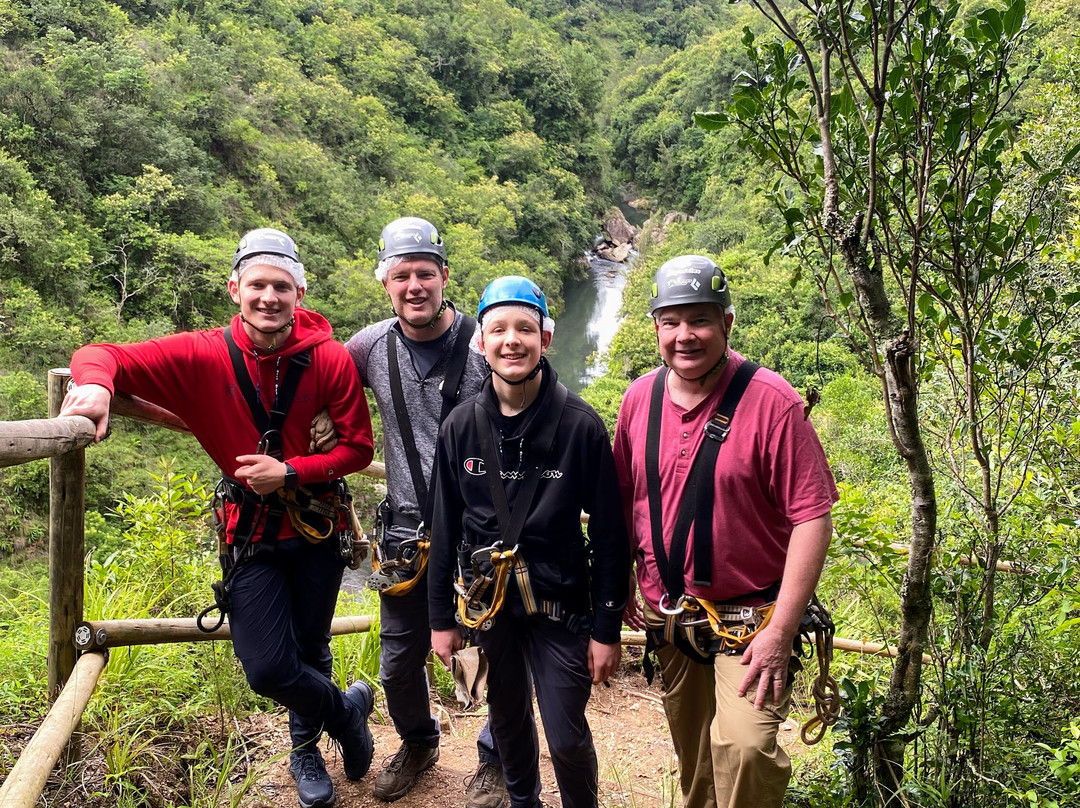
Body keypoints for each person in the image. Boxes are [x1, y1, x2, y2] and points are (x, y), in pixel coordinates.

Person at [60, 228, 378, 808]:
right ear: (235, 288)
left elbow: (357, 448)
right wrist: (97, 388)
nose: (269, 298)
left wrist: (291, 471)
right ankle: (347, 712)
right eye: (257, 285)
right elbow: (99, 354)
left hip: (315, 525)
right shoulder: (202, 354)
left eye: (281, 287)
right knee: (266, 668)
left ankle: (305, 748)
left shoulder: (328, 359)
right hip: (251, 532)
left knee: (311, 643)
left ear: (299, 293)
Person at [612, 255, 838, 808]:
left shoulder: (773, 403)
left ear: (726, 323)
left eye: (700, 320)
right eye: (672, 322)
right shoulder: (639, 399)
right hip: (672, 616)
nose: (685, 336)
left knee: (744, 748)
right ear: (656, 328)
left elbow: (812, 516)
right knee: (695, 760)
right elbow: (623, 500)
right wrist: (618, 583)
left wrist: (781, 631)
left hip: (753, 618)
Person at [428, 276, 630, 808]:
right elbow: (444, 527)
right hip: (491, 607)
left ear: (545, 339)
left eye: (525, 328)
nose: (511, 340)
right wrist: (440, 620)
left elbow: (610, 533)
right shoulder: (460, 427)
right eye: (498, 329)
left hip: (560, 606)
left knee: (564, 732)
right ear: (481, 342)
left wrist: (607, 628)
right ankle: (524, 803)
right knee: (509, 719)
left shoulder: (580, 426)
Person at [344, 217, 507, 806]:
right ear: (385, 281)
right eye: (402, 274)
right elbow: (319, 381)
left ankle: (497, 754)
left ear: (444, 276)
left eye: (425, 273)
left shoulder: (484, 342)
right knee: (397, 659)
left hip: (483, 529)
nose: (414, 285)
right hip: (406, 532)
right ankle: (418, 740)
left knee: (493, 648)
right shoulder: (369, 347)